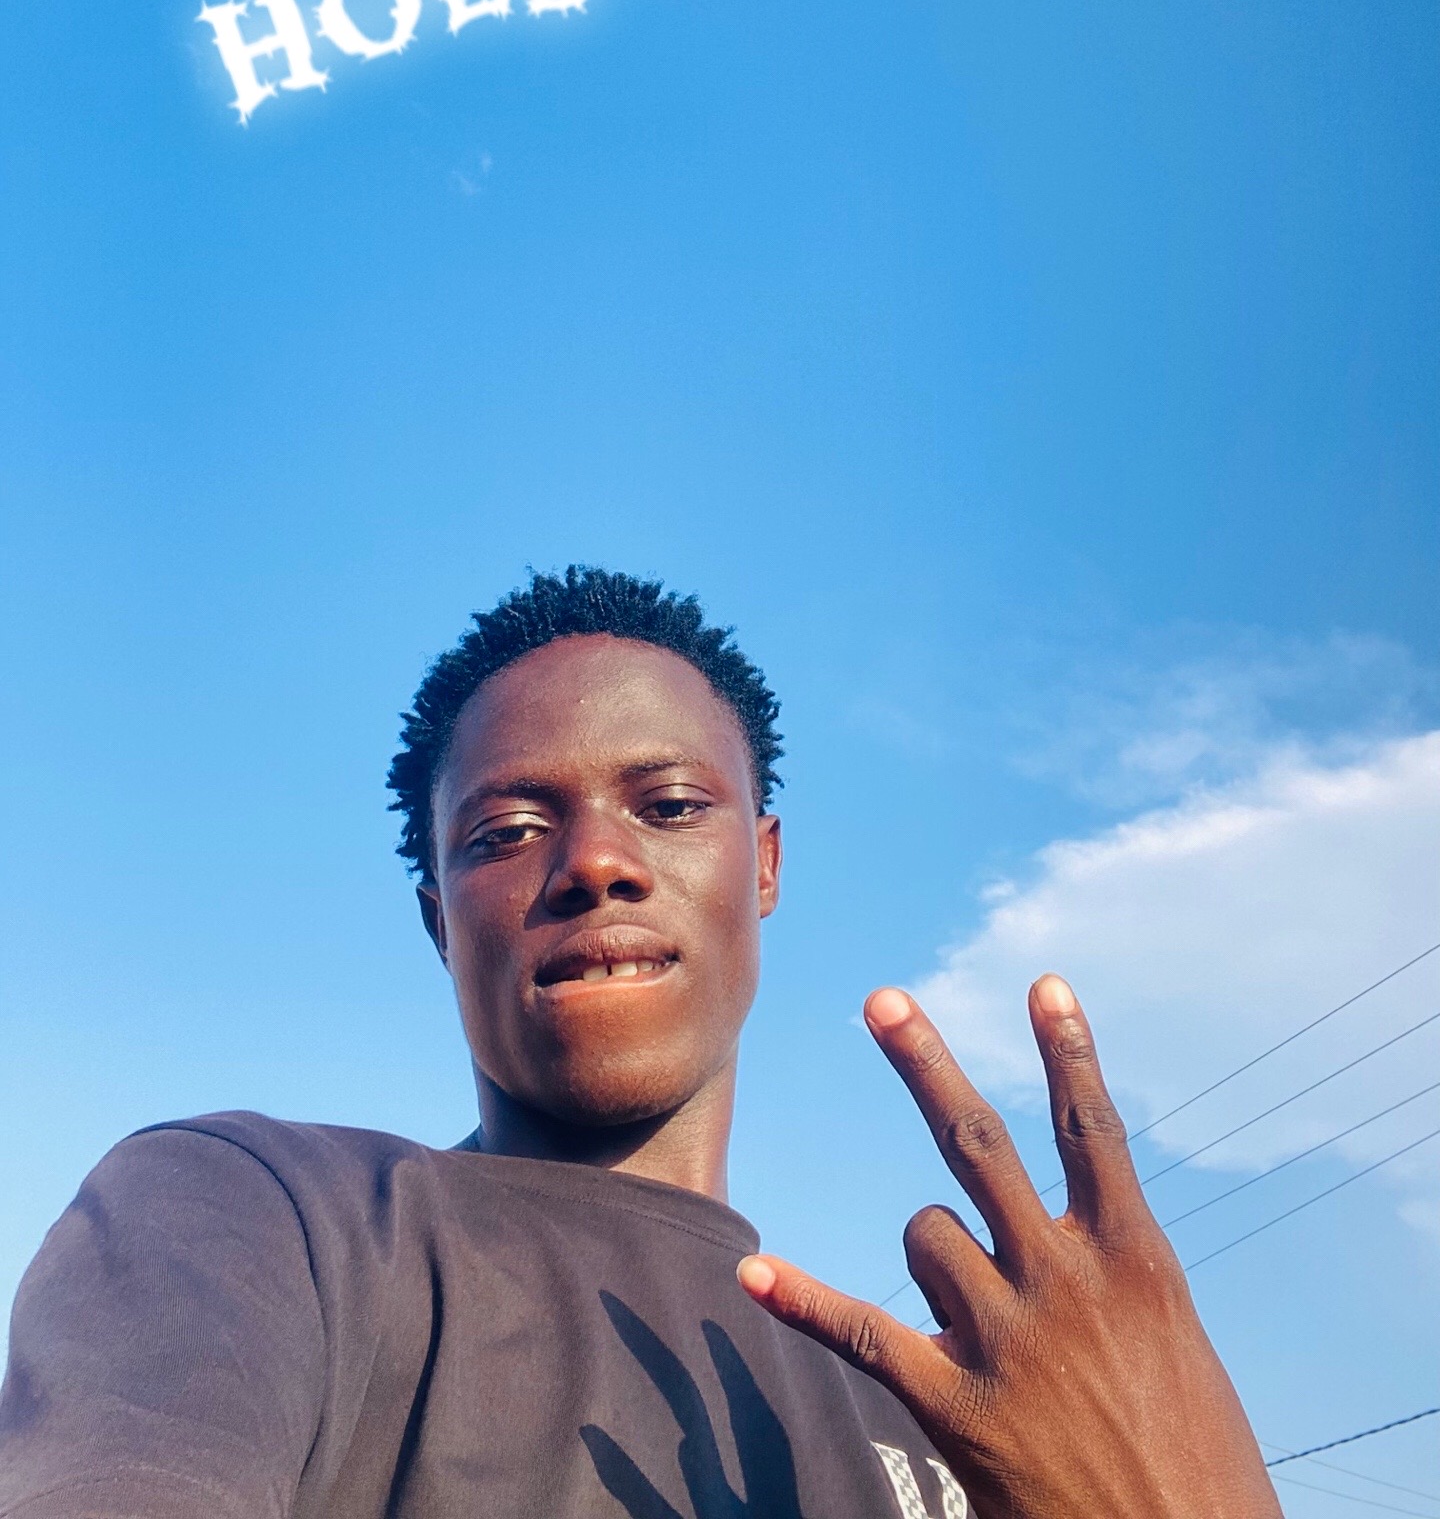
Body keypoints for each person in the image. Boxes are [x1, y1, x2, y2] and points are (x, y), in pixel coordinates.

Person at [0, 567, 1280, 1519]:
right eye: (507, 831)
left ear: (763, 865)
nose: (596, 863)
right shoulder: (267, 1219)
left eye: (667, 805)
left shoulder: (954, 1422)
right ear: (440, 920)